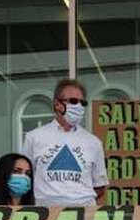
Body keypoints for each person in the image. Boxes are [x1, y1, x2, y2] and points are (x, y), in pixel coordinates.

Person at [22, 78, 108, 207]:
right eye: (73, 101)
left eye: (82, 103)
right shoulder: (34, 137)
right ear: (57, 104)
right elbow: (26, 178)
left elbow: (100, 186)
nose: (78, 106)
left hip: (84, 215)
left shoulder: (94, 142)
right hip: (46, 214)